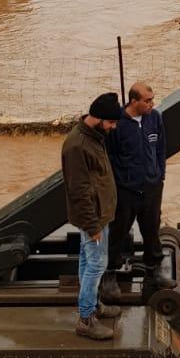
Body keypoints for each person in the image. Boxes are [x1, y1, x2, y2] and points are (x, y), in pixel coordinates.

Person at [61, 92, 122, 340]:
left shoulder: (93, 136)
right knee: (96, 264)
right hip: (93, 217)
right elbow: (79, 191)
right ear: (97, 119)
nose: (114, 127)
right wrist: (93, 225)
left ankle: (94, 306)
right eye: (111, 122)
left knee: (88, 261)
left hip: (100, 214)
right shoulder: (78, 146)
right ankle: (86, 319)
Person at [107, 80, 167, 291]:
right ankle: (110, 275)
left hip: (151, 187)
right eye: (147, 101)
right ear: (134, 101)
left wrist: (160, 176)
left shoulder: (155, 118)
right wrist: (119, 182)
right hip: (126, 190)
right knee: (118, 230)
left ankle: (153, 271)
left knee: (151, 229)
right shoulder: (118, 124)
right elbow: (111, 156)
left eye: (152, 100)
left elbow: (160, 149)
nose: (152, 104)